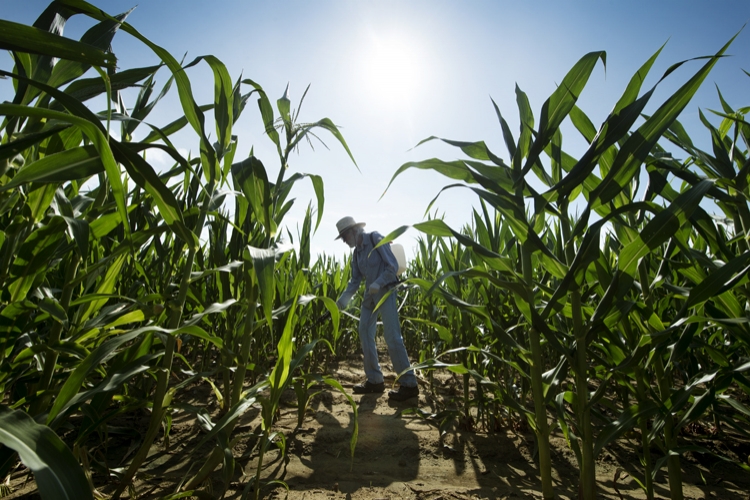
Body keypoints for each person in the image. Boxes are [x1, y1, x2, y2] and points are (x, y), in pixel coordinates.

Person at [334, 216, 419, 402]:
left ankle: (409, 384)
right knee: (364, 331)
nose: (344, 241)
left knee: (392, 336)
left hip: (386, 290)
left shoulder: (376, 239)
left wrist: (379, 282)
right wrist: (341, 302)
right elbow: (355, 281)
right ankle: (374, 380)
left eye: (344, 236)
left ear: (354, 231)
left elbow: (392, 266)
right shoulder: (356, 254)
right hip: (370, 295)